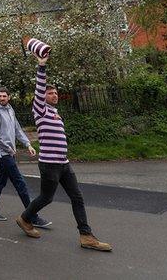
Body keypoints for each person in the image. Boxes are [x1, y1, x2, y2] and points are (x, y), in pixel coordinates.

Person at [16, 55, 112, 252]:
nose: (54, 95)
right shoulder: (40, 110)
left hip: (64, 164)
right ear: (42, 97)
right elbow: (39, 87)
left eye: (56, 93)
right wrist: (41, 66)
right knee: (46, 198)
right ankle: (25, 218)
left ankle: (86, 236)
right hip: (49, 164)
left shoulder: (54, 113)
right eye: (50, 93)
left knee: (77, 197)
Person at [0, 87, 48, 228]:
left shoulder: (10, 110)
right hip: (3, 153)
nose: (2, 98)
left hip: (9, 152)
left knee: (0, 181)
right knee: (20, 182)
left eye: (4, 96)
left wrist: (28, 144)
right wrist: (8, 148)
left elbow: (17, 129)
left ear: (9, 97)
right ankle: (32, 216)